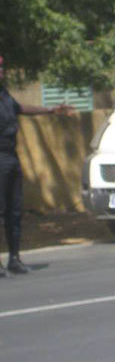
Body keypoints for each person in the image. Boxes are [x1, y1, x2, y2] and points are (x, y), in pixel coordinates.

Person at [0, 54, 74, 276]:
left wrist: (50, 110)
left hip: (11, 158)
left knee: (14, 210)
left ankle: (14, 258)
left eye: (2, 68)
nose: (1, 72)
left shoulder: (4, 95)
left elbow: (21, 108)